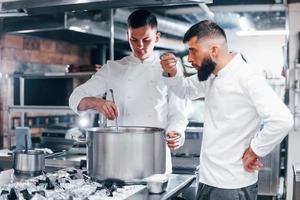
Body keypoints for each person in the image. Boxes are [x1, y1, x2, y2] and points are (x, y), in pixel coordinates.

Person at [160, 20, 293, 200]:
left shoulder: (246, 76)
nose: (189, 59)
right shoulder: (211, 76)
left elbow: (282, 119)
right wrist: (171, 73)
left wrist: (255, 150)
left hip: (231, 187)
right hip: (209, 179)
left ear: (214, 50)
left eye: (193, 51)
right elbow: (185, 90)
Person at [69, 9, 188, 174]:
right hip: (117, 156)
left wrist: (176, 133)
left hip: (154, 155)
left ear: (157, 37)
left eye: (146, 40)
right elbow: (75, 98)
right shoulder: (113, 68)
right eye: (134, 40)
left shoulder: (169, 69)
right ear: (127, 36)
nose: (140, 46)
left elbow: (179, 115)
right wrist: (97, 103)